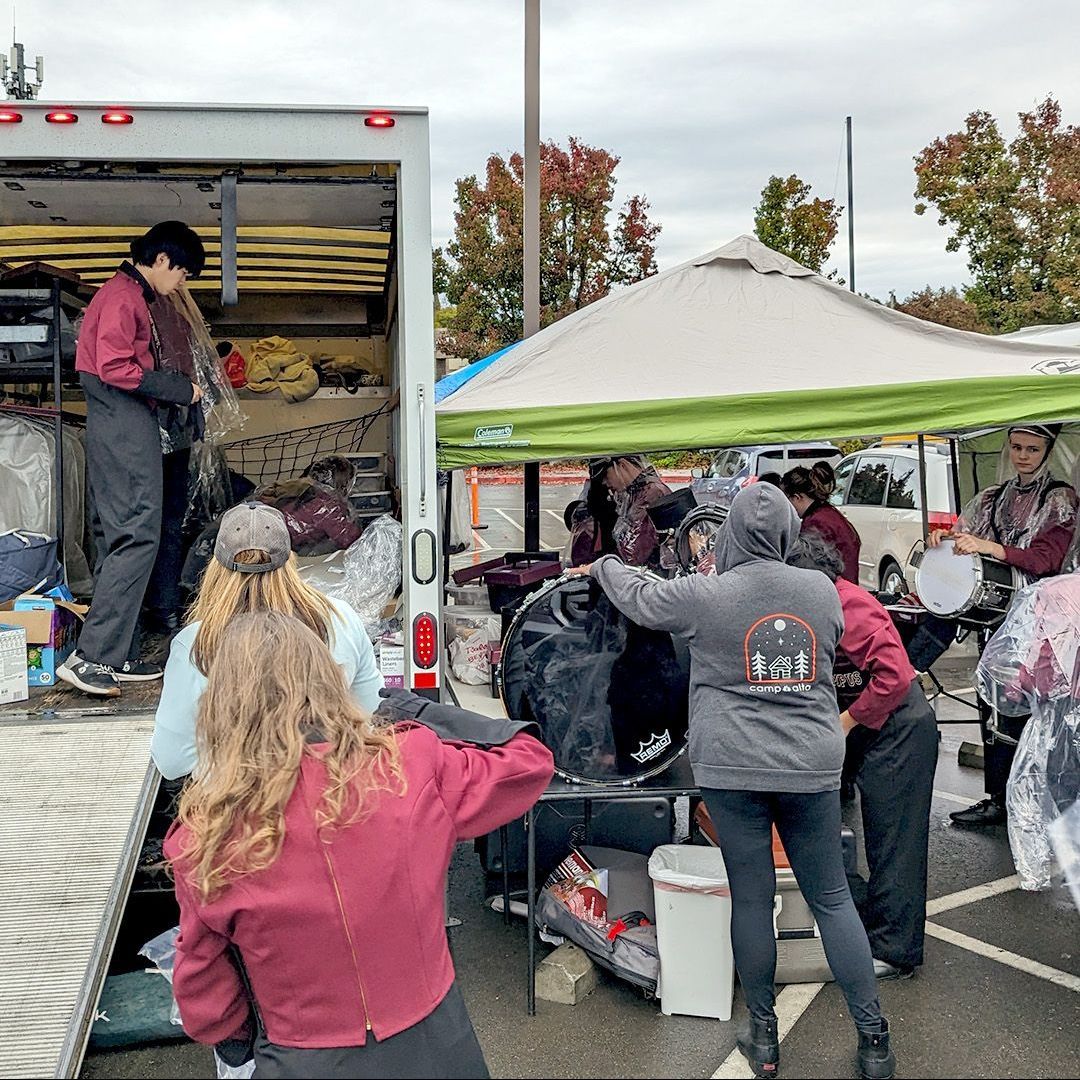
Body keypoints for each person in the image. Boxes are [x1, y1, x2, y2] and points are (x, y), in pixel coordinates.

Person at [569, 484, 896, 1080]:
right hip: (812, 767)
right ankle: (874, 1040)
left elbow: (641, 600)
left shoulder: (709, 594)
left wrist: (608, 564)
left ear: (730, 534)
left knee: (750, 898)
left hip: (733, 768)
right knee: (832, 898)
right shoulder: (824, 592)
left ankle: (765, 1041)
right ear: (787, 537)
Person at [165, 611, 554, 1078]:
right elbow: (528, 762)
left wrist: (246, 1033)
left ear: (222, 707)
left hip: (301, 1058)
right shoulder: (408, 766)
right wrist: (424, 714)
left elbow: (204, 996)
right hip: (435, 1042)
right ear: (327, 679)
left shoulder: (203, 835)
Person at [58, 221, 206, 698]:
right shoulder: (125, 297)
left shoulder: (123, 294)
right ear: (162, 261)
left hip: (115, 425)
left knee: (115, 535)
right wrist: (181, 388)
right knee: (137, 535)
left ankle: (113, 655)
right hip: (122, 426)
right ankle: (92, 658)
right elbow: (116, 368)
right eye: (182, 273)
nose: (180, 284)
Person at [909, 423, 1077, 827]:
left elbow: (1045, 561)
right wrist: (946, 539)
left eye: (1033, 449)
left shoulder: (1060, 500)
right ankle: (999, 798)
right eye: (1017, 447)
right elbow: (966, 541)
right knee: (995, 708)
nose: (1023, 456)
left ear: (1048, 451)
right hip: (998, 618)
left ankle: (1031, 799)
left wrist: (988, 547)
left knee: (1030, 712)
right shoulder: (993, 497)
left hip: (1040, 622)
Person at [788, 533, 938, 979]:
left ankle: (894, 951)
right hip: (860, 726)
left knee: (894, 842)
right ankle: (864, 923)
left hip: (899, 729)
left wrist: (845, 724)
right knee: (816, 826)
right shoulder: (807, 606)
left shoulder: (849, 605)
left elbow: (892, 676)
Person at [151, 502, 383, 781]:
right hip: (330, 794)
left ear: (216, 568)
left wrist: (236, 778)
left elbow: (172, 760)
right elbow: (373, 717)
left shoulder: (196, 643)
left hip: (242, 808)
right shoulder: (339, 618)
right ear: (290, 560)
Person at [977, 573, 1080, 891]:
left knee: (1061, 785)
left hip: (1069, 708)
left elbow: (1045, 653)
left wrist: (1019, 687)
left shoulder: (1056, 591)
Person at [780, 461, 861, 583]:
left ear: (797, 497)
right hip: (846, 587)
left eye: (787, 500)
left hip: (834, 590)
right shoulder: (830, 513)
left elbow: (809, 565)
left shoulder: (815, 523)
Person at [602, 455, 674, 569]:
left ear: (622, 465)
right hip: (645, 572)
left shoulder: (650, 494)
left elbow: (636, 552)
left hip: (652, 576)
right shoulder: (637, 493)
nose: (605, 482)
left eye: (606, 474)